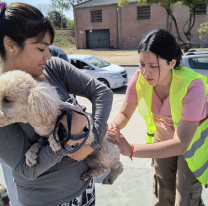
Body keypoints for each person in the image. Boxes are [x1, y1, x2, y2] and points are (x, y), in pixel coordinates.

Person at [0, 2, 113, 206]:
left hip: (84, 188)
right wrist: (67, 139)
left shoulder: (53, 68)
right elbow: (27, 169)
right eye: (41, 48)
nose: (48, 55)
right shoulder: (3, 99)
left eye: (49, 47)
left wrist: (93, 140)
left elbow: (102, 92)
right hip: (47, 200)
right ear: (11, 45)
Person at [108, 29, 208, 206]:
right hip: (163, 140)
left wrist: (130, 149)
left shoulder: (193, 86)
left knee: (186, 196)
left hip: (190, 146)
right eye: (141, 64)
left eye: (153, 66)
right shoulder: (140, 79)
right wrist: (113, 127)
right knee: (162, 191)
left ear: (172, 63)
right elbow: (124, 113)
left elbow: (181, 143)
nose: (146, 72)